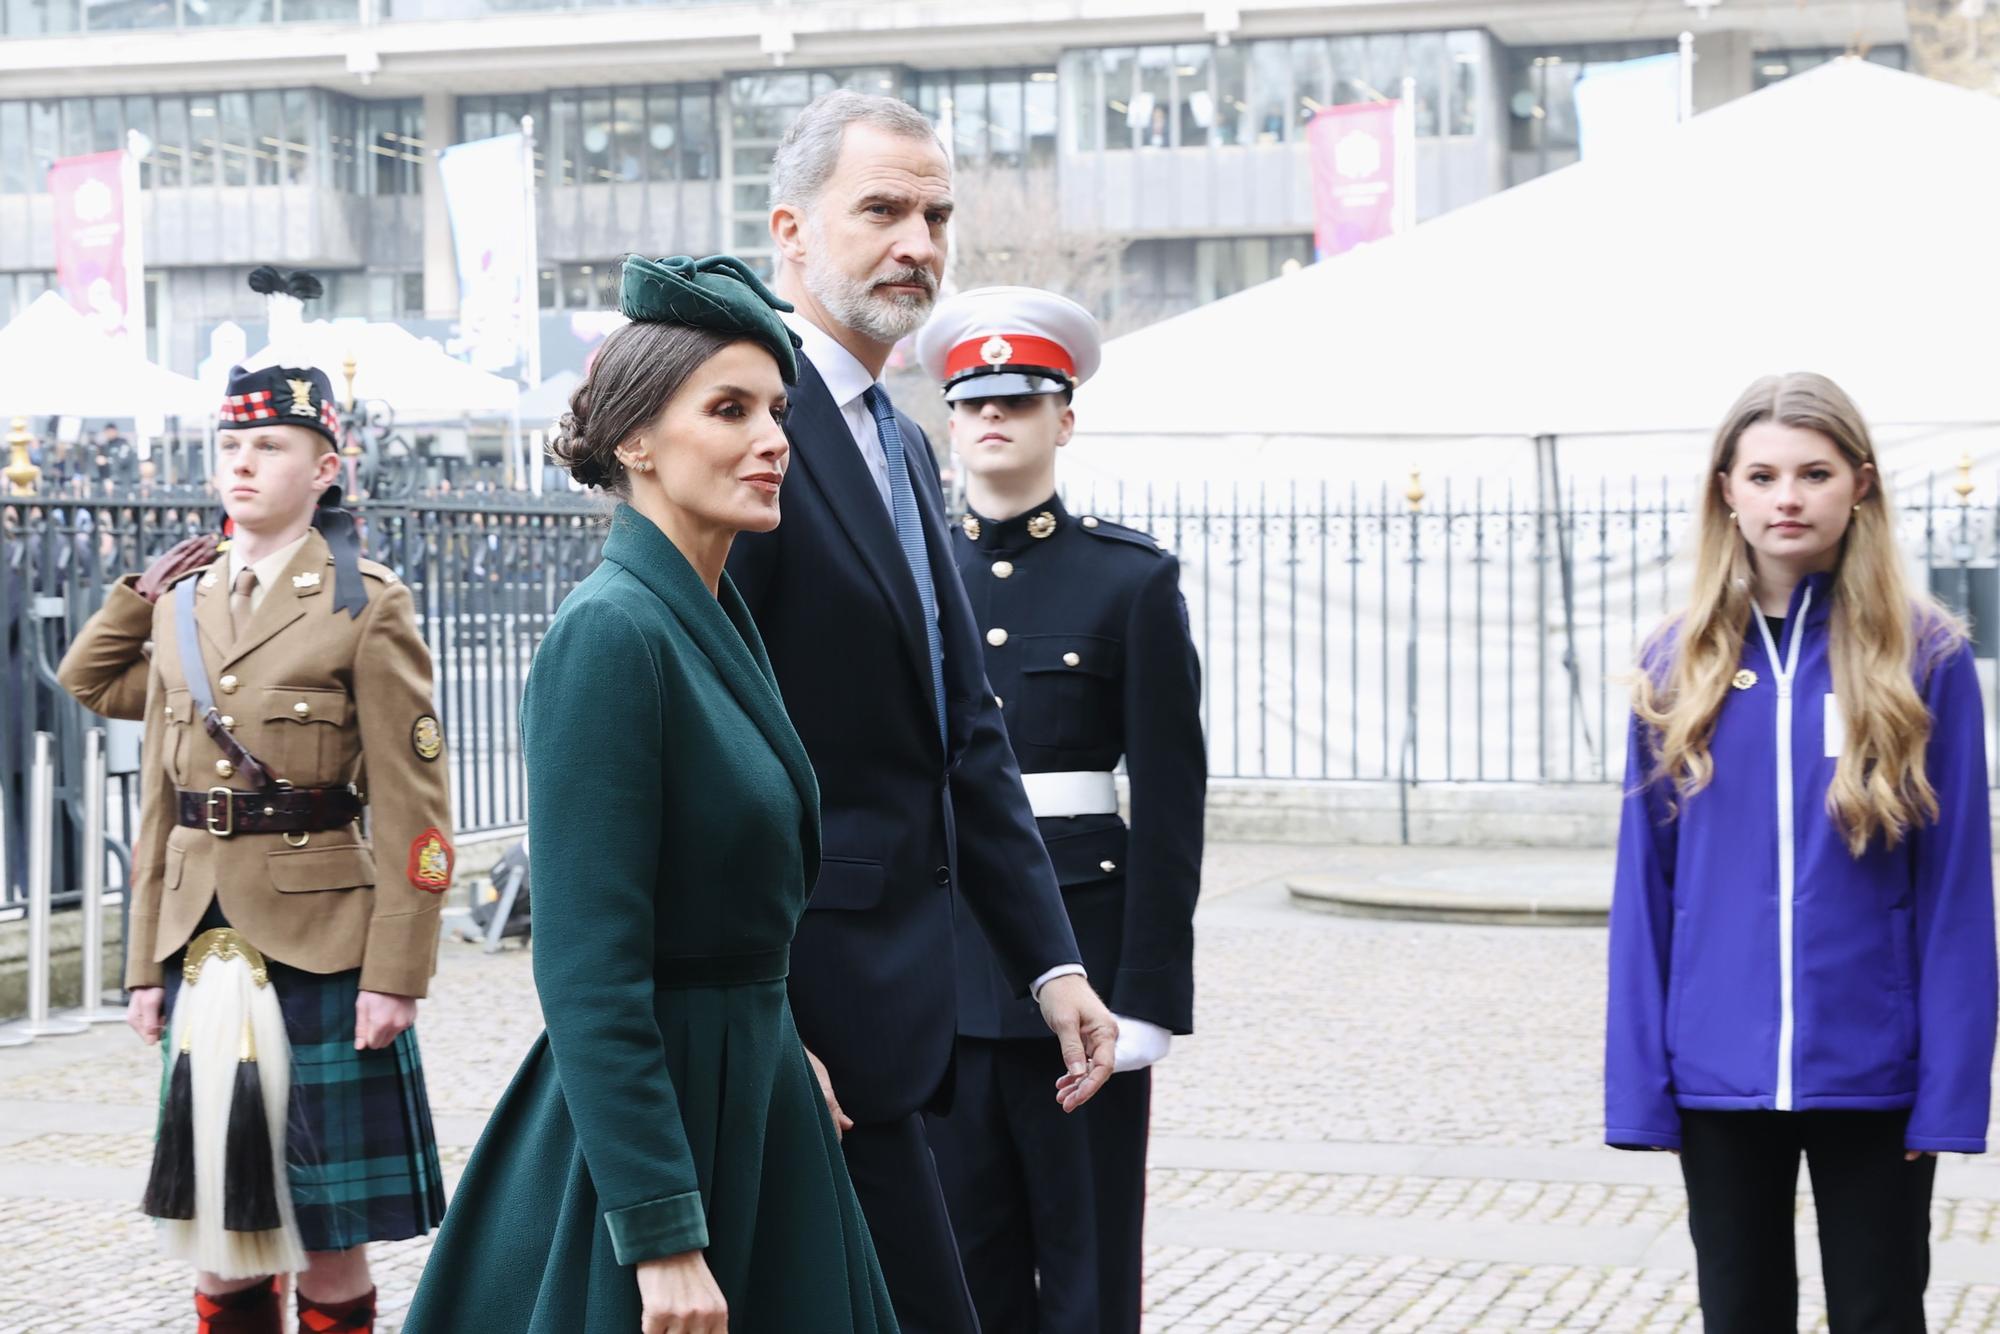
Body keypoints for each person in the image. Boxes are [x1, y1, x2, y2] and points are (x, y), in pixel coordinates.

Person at [404, 255, 897, 1334]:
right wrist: (661, 1230)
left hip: (755, 1090)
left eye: (776, 409)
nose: (774, 438)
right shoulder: (611, 631)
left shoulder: (713, 618)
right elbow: (586, 962)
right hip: (656, 1132)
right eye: (729, 409)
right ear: (635, 439)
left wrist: (782, 1047)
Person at [724, 91, 1119, 1334]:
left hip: (901, 1019)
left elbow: (966, 736)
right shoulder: (749, 419)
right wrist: (765, 1023)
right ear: (790, 231)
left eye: (936, 213)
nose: (918, 241)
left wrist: (1050, 958)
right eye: (882, 209)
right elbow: (716, 754)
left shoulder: (896, 439)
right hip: (801, 1029)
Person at [1605, 371, 1998, 1332]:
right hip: (1715, 1070)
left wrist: (1948, 1091)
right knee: (1740, 1312)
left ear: (1858, 485)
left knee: (1878, 1311)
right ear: (1727, 492)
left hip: (1876, 1068)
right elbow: (1647, 895)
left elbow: (1958, 891)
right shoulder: (1676, 664)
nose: (1789, 497)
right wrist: (1642, 1091)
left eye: (1814, 473)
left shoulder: (1926, 658)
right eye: (1765, 474)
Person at [65, 363, 452, 1334]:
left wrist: (396, 971)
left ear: (326, 466)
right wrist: (144, 967)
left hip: (324, 939)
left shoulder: (367, 600)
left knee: (328, 1233)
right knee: (218, 1227)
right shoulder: (183, 599)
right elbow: (149, 776)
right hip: (203, 944)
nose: (243, 462)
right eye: (230, 445)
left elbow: (417, 806)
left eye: (269, 444)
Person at [916, 288, 1205, 1333]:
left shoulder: (1126, 581)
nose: (991, 418)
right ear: (949, 417)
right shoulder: (914, 579)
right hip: (942, 973)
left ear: (1063, 418)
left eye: (1019, 400)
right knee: (959, 1264)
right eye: (971, 400)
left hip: (1086, 958)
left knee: (1086, 1267)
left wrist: (1147, 996)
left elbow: (1172, 805)